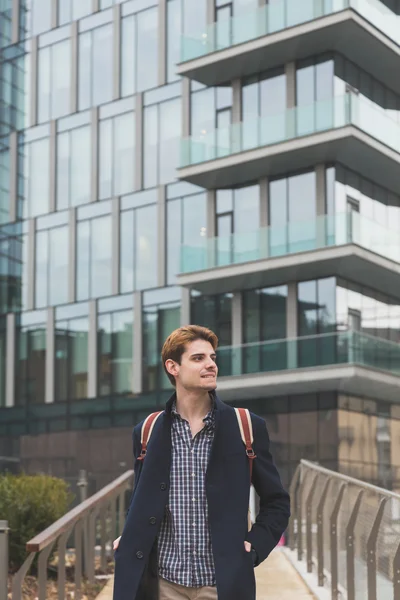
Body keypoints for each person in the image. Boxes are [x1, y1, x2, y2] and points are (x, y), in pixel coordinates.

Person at [113, 325, 290, 600]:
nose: (210, 365)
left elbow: (277, 501)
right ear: (173, 367)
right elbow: (140, 497)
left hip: (221, 586)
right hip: (162, 584)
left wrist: (255, 547)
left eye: (212, 358)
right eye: (198, 358)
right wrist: (129, 537)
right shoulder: (147, 430)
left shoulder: (246, 426)